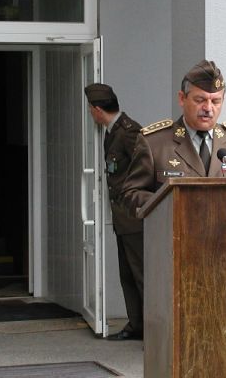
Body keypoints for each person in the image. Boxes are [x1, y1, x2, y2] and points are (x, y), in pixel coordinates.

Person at [121, 60, 226, 216]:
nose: (208, 108)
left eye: (215, 101)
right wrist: (173, 203)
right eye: (200, 100)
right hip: (176, 228)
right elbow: (131, 194)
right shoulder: (154, 143)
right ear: (182, 98)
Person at [84, 83, 144, 341]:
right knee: (128, 274)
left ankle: (152, 330)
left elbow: (145, 171)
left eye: (90, 109)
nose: (90, 114)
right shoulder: (112, 132)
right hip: (123, 219)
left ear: (98, 110)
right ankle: (137, 325)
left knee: (142, 275)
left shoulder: (130, 133)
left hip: (134, 217)